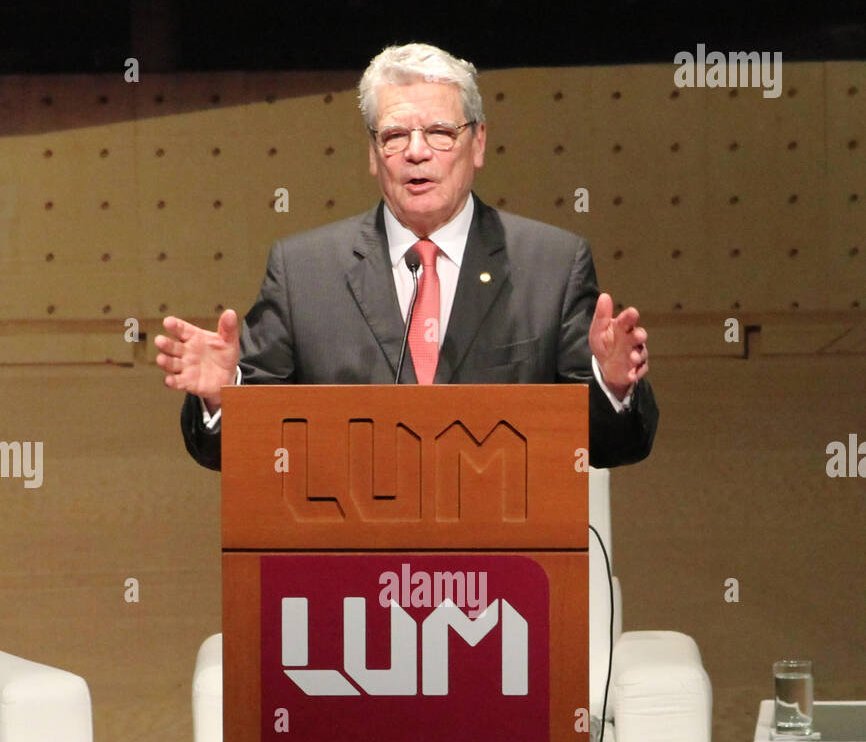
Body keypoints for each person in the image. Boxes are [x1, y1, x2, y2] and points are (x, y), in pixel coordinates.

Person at [156, 43, 657, 471]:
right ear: (374, 154)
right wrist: (225, 396)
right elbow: (240, 452)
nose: (417, 152)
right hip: (351, 570)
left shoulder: (551, 264)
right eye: (395, 136)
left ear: (477, 143)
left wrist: (611, 385)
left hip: (503, 571)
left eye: (440, 132)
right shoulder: (303, 271)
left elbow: (614, 445)